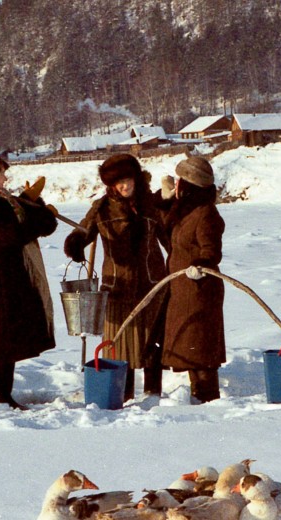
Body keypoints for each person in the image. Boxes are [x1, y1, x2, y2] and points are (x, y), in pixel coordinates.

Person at [63, 154, 168, 402]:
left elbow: (169, 238)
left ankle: (153, 394)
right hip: (117, 286)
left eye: (127, 180)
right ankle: (125, 393)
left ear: (136, 178)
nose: (124, 186)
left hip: (151, 283)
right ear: (111, 185)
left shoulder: (150, 205)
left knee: (151, 342)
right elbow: (83, 231)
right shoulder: (101, 208)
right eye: (118, 182)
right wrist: (76, 243)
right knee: (120, 346)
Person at [0, 153, 58, 410]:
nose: (5, 177)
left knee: (3, 328)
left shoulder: (1, 200)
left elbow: (25, 222)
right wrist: (39, 218)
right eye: (1, 173)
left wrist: (34, 203)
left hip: (11, 271)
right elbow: (13, 234)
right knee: (2, 329)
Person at [159, 156, 226, 403]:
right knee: (191, 347)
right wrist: (164, 201)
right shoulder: (186, 210)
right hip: (183, 289)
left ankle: (209, 398)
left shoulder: (206, 213)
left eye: (179, 181)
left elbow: (212, 250)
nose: (176, 184)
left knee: (202, 349)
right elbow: (165, 230)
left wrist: (202, 265)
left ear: (190, 185)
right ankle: (199, 395)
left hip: (200, 289)